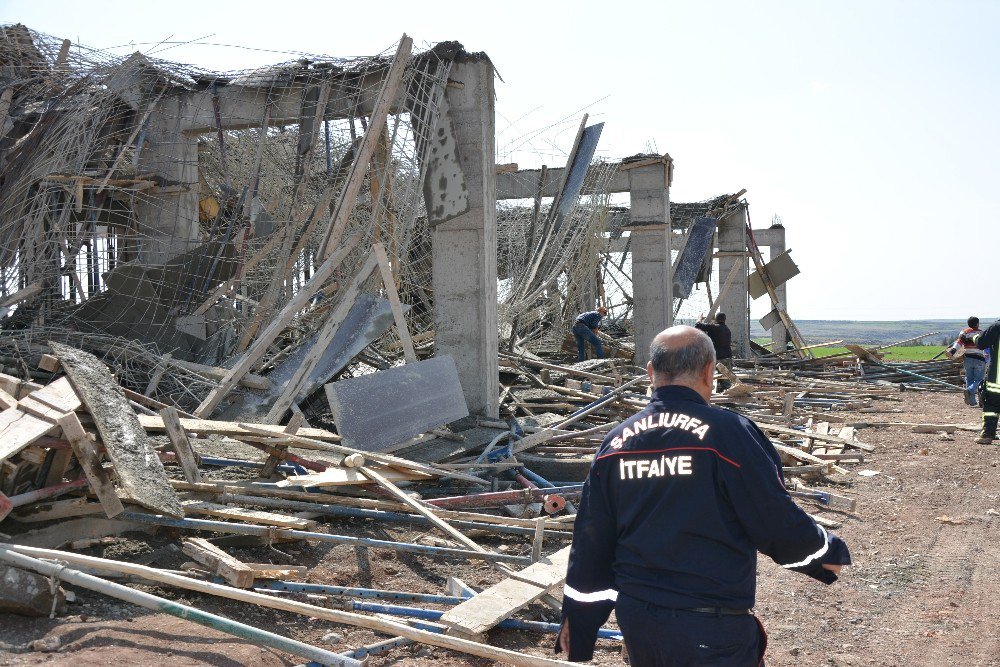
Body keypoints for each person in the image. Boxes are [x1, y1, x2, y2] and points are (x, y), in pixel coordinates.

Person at [556, 326, 850, 665]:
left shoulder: (617, 441)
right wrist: (824, 553)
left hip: (639, 623)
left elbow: (592, 538)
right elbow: (770, 515)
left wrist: (578, 621)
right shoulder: (728, 433)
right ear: (710, 371)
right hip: (710, 628)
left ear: (651, 373)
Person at [971, 320, 1000, 444]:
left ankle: (988, 434)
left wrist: (975, 336)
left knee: (992, 406)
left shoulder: (997, 327)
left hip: (997, 379)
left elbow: (981, 343)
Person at [948, 317, 986, 407]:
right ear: (977, 324)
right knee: (979, 380)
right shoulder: (981, 333)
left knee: (969, 379)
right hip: (979, 359)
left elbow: (959, 342)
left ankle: (972, 402)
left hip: (968, 358)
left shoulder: (964, 332)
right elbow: (985, 346)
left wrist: (953, 351)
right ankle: (969, 390)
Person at [696, 312, 733, 391]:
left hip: (717, 358)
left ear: (716, 319)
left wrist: (700, 318)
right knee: (725, 379)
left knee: (711, 377)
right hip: (728, 357)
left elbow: (698, 325)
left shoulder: (714, 327)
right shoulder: (727, 330)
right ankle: (727, 398)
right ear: (725, 320)